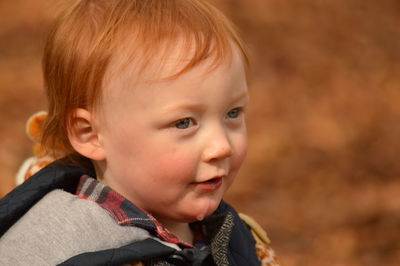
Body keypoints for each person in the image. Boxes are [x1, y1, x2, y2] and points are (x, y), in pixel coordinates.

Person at [0, 0, 280, 265]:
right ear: (91, 134)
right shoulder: (62, 249)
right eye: (184, 123)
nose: (222, 146)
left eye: (232, 113)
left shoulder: (232, 235)